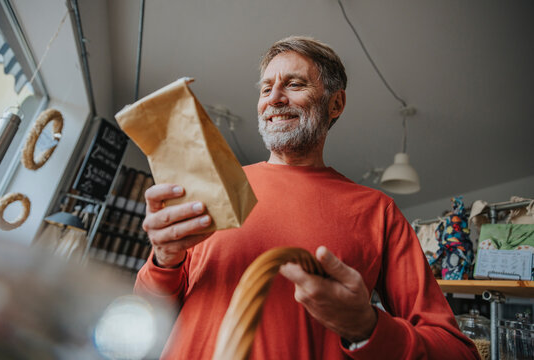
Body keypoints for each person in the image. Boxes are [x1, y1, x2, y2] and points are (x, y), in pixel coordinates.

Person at [135, 36, 480, 359]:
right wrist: (164, 259)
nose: (273, 98)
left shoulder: (378, 212)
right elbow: (145, 317)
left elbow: (457, 350)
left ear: (336, 103)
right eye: (266, 88)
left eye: (294, 84)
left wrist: (367, 327)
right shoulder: (215, 188)